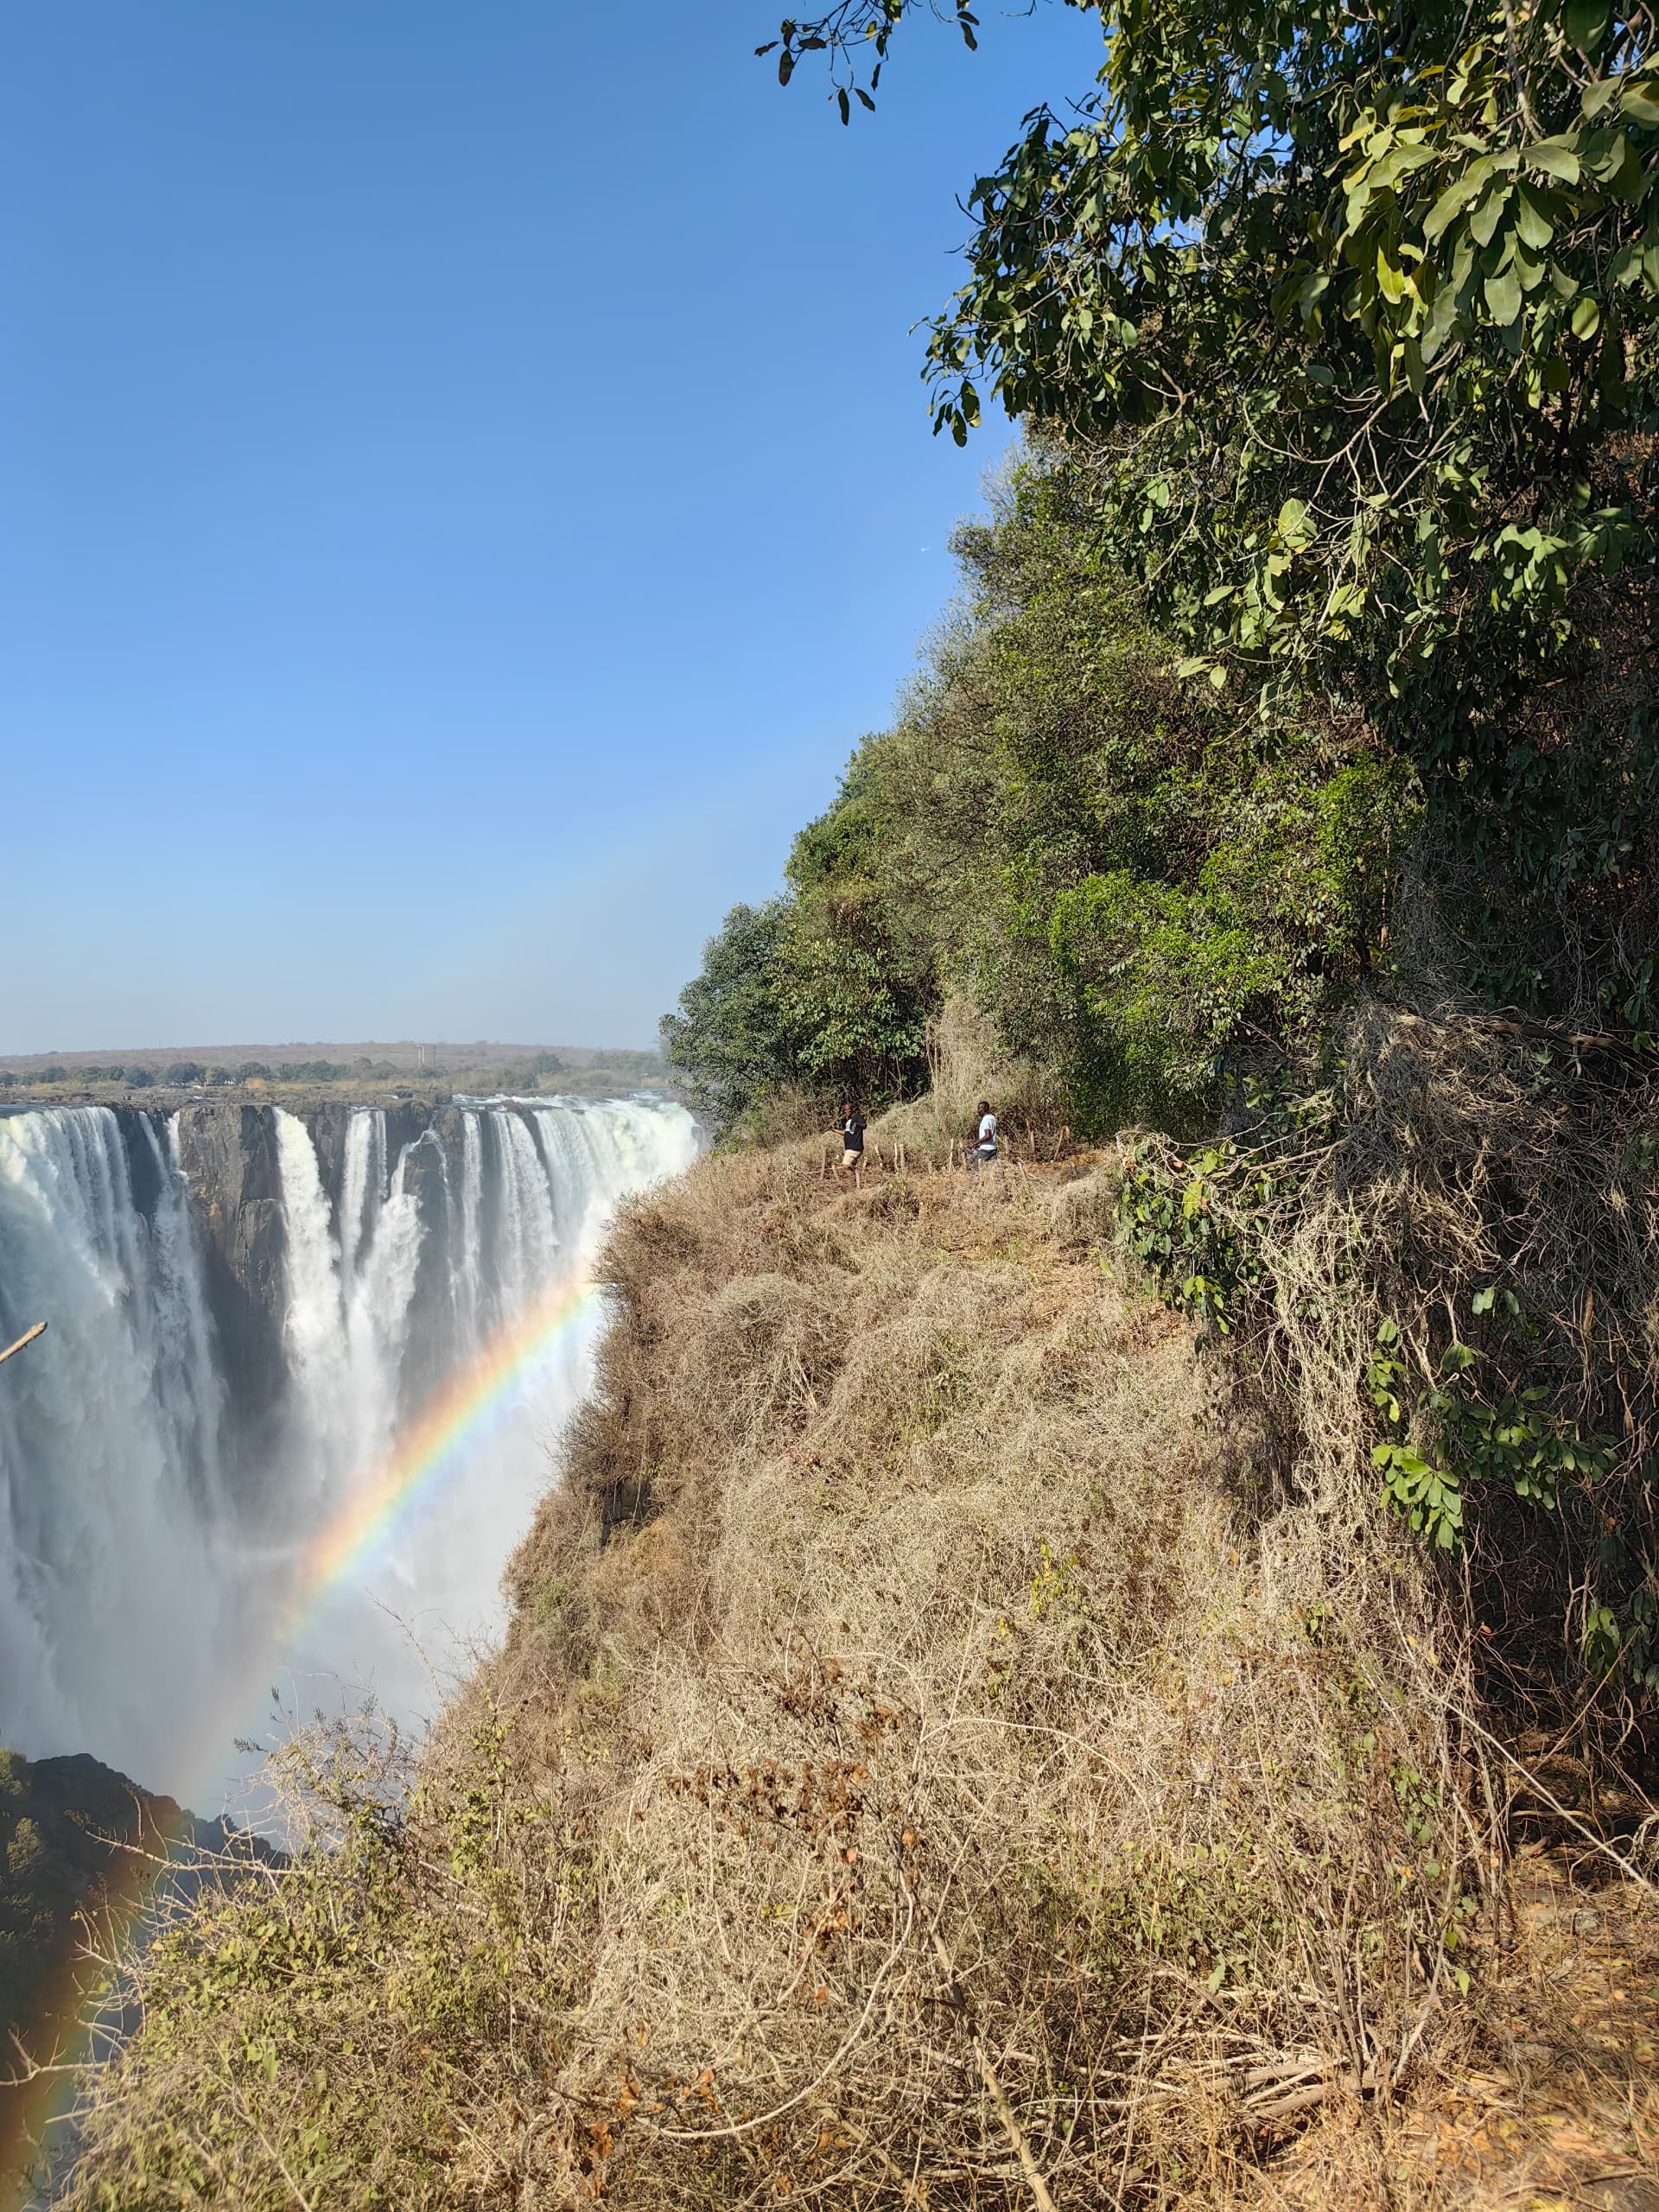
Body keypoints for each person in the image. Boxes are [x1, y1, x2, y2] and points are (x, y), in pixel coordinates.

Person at [839, 1102, 866, 1181]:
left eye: (848, 1109)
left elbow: (864, 1125)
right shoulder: (849, 1120)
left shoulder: (857, 1117)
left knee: (845, 1166)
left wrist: (858, 1125)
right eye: (845, 1110)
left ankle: (852, 1183)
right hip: (850, 1147)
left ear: (852, 1109)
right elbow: (846, 1133)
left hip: (854, 1147)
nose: (846, 1111)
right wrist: (833, 1130)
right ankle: (856, 1182)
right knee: (851, 1167)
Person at [969, 1098, 997, 1169]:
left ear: (983, 1109)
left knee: (974, 1170)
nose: (978, 1111)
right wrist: (979, 1144)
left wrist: (975, 1143)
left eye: (979, 1109)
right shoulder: (992, 1118)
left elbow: (988, 1135)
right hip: (992, 1148)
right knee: (992, 1171)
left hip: (985, 1150)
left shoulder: (985, 1119)